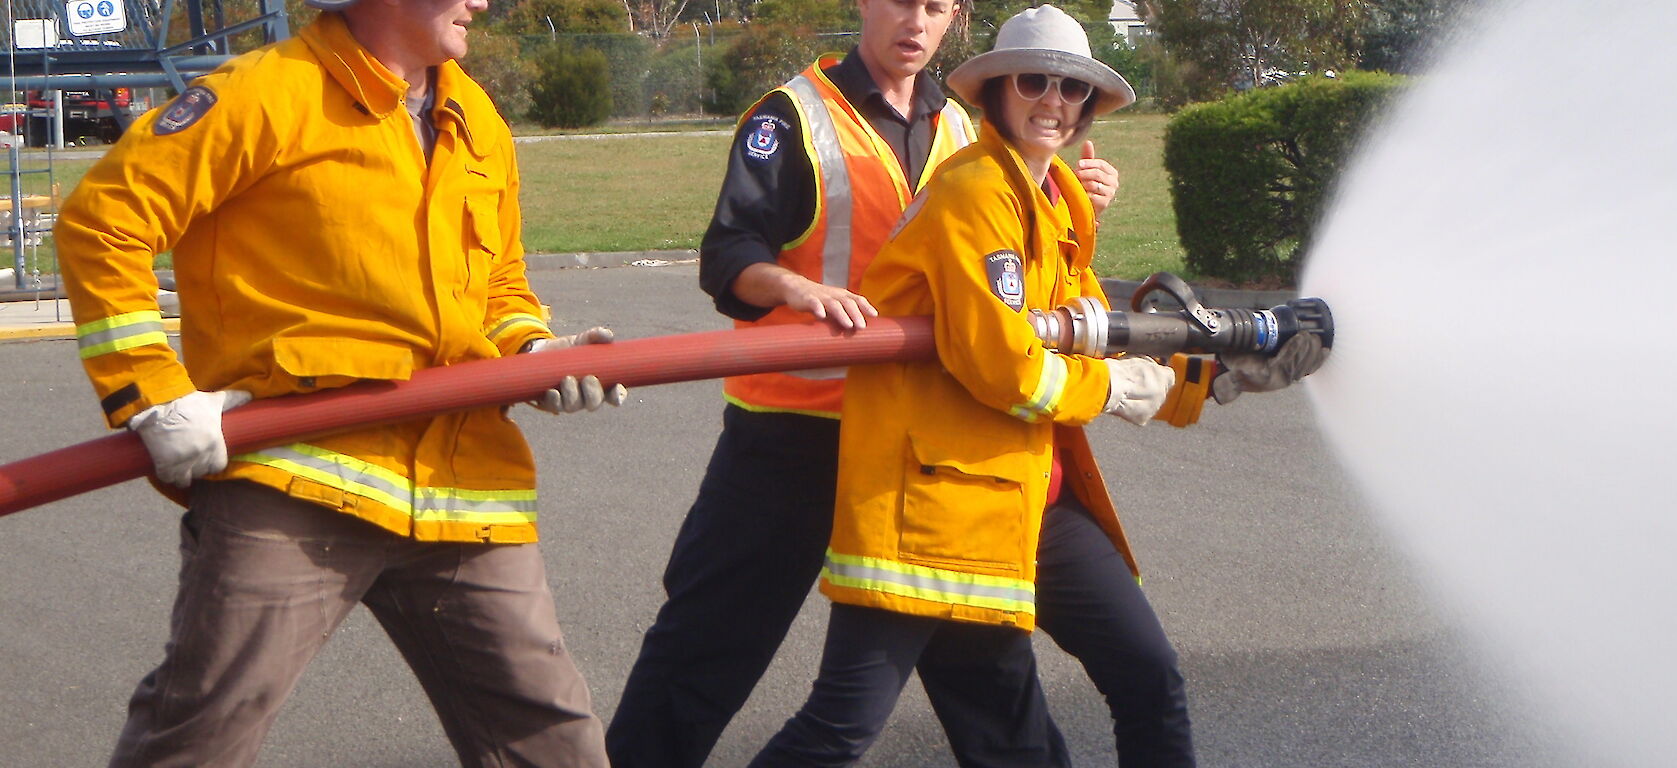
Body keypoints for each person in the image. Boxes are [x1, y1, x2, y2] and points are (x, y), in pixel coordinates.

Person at [746, 6, 1329, 766]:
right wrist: (1124, 392)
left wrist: (1222, 375)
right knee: (842, 729)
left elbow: (1104, 332)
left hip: (1024, 497)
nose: (1053, 101)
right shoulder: (975, 193)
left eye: (1072, 89)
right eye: (1034, 81)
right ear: (994, 93)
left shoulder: (1052, 204)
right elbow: (1008, 368)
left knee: (1143, 677)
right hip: (931, 508)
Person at [54, 0, 626, 764]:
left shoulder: (475, 116)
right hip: (297, 483)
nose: (481, 2)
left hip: (460, 485)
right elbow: (102, 221)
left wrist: (534, 350)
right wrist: (150, 393)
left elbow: (499, 288)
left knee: (551, 740)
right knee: (201, 736)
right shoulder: (266, 94)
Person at [602, 0, 1124, 763]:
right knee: (702, 657)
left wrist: (1078, 203)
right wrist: (791, 288)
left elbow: (1022, 274)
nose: (917, 20)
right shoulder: (792, 117)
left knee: (988, 679)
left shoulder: (962, 127)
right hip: (794, 441)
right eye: (901, 0)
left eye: (937, 6)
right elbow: (726, 255)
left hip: (922, 450)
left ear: (957, 18)